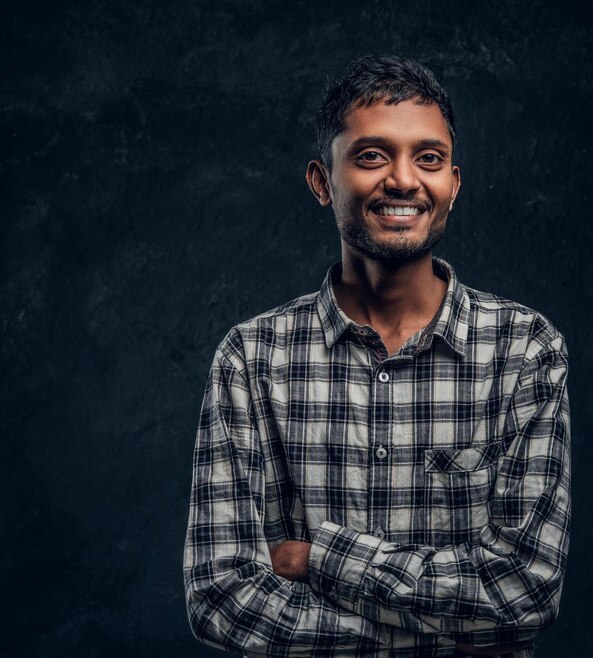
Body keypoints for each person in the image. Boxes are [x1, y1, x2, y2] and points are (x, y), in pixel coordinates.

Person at [183, 55, 572, 657]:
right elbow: (222, 594)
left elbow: (523, 591)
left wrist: (321, 557)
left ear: (453, 185)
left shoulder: (525, 352)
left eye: (429, 158)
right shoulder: (252, 358)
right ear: (322, 181)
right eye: (371, 156)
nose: (403, 180)